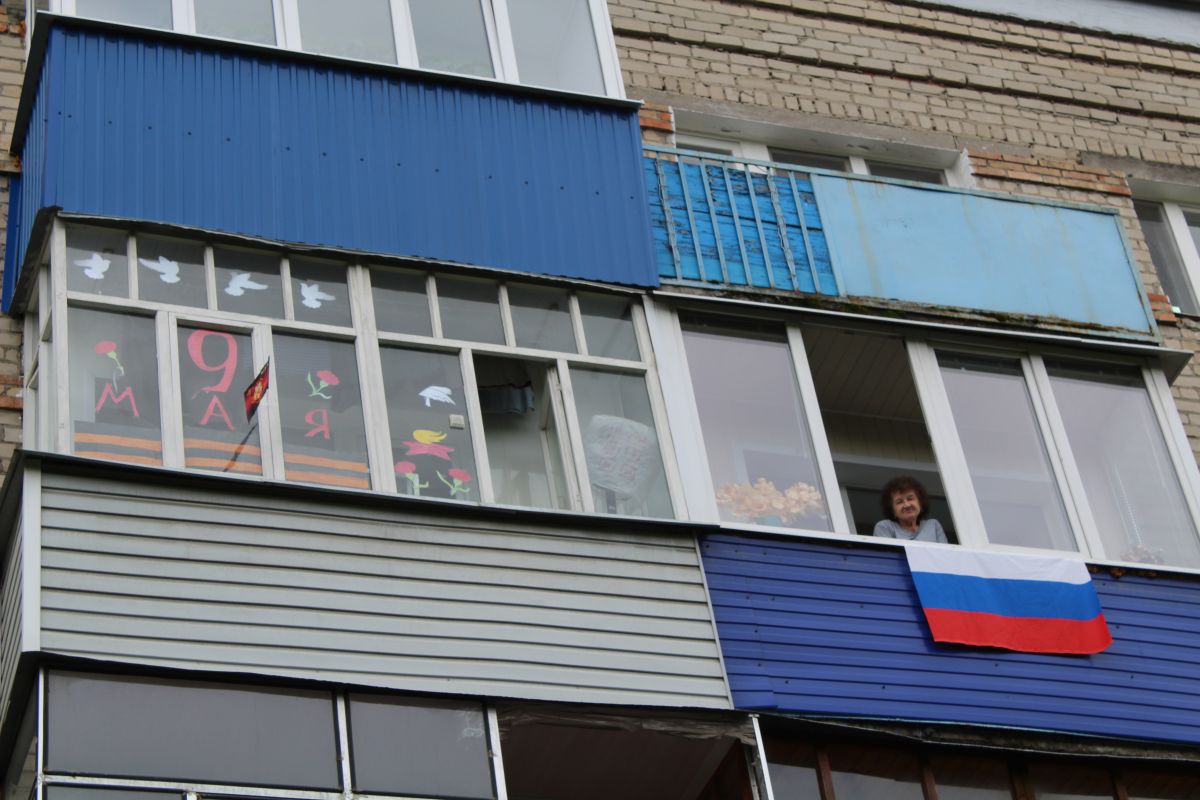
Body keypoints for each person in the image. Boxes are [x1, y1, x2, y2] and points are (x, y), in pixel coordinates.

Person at [873, 475, 948, 543]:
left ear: (920, 503)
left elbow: (945, 553)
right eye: (899, 502)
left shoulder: (933, 525)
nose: (907, 505)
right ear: (892, 510)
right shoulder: (885, 527)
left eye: (910, 499)